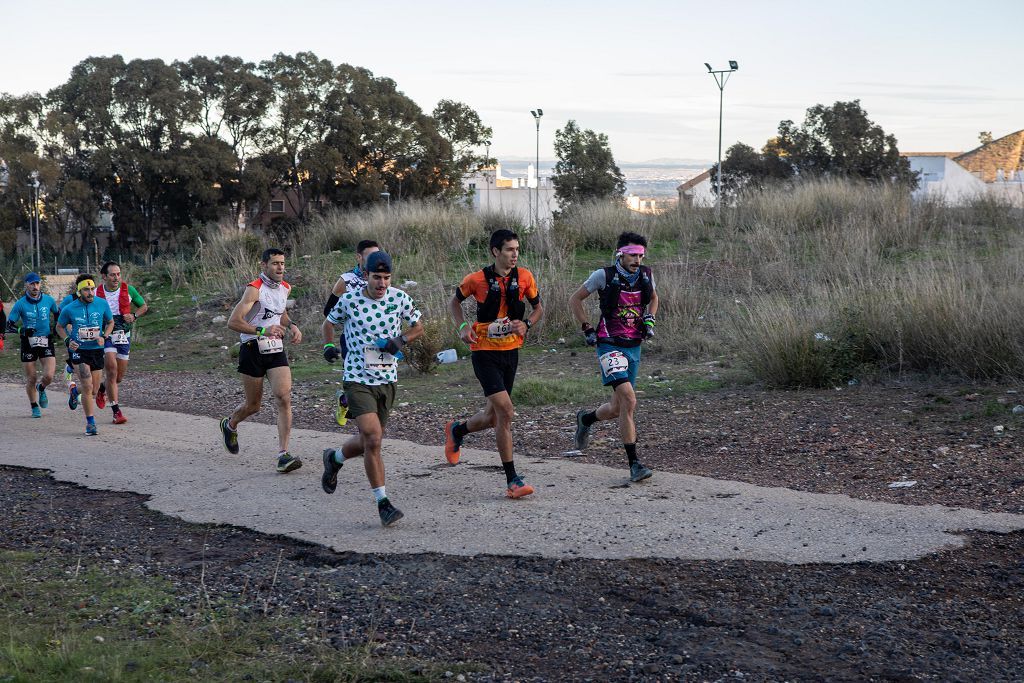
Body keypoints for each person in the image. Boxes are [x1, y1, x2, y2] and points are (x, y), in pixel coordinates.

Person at [320, 251, 423, 526]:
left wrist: (400, 340)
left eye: (386, 278)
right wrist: (329, 345)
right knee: (374, 439)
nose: (382, 284)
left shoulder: (400, 298)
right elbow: (329, 323)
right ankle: (383, 503)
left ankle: (335, 458)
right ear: (365, 275)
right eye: (376, 277)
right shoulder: (350, 299)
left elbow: (419, 327)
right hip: (357, 379)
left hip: (387, 379)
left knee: (370, 441)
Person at [444, 229, 543, 499]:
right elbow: (454, 302)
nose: (515, 255)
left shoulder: (525, 277)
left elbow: (538, 308)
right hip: (484, 352)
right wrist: (463, 326)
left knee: (492, 417)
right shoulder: (476, 279)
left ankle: (457, 430)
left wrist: (527, 324)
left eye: (517, 250)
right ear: (495, 251)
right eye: (510, 249)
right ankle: (512, 479)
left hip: (510, 353)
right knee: (506, 412)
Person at [569, 231, 659, 483]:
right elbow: (575, 299)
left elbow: (653, 298)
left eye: (640, 255)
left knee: (618, 407)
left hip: (634, 345)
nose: (637, 259)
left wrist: (650, 318)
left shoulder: (646, 275)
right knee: (629, 400)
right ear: (620, 253)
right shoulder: (603, 276)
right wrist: (586, 327)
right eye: (632, 254)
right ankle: (635, 464)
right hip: (608, 344)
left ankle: (585, 418)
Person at [219, 248, 303, 473]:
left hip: (275, 349)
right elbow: (233, 322)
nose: (280, 268)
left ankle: (283, 455)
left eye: (283, 263)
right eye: (275, 263)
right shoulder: (253, 290)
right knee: (253, 405)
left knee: (283, 397)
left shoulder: (285, 288)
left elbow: (280, 313)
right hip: (251, 348)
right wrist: (261, 331)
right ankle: (230, 424)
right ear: (264, 265)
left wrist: (292, 325)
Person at [323, 240, 380, 425]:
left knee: (377, 384)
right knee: (357, 382)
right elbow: (328, 311)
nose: (375, 259)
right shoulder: (347, 280)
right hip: (352, 339)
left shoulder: (381, 277)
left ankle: (345, 401)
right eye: (371, 256)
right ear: (359, 257)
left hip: (378, 341)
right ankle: (366, 434)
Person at [55, 275, 114, 435]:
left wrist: (105, 336)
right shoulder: (69, 308)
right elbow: (59, 326)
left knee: (94, 390)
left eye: (92, 289)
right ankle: (90, 423)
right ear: (79, 291)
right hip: (78, 351)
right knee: (88, 386)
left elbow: (110, 322)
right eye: (86, 290)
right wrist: (67, 340)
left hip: (96, 350)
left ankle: (75, 391)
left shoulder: (102, 304)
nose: (90, 292)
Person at [94, 261, 148, 424]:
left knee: (118, 377)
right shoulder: (96, 292)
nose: (116, 277)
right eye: (112, 274)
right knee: (111, 369)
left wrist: (134, 316)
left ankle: (103, 388)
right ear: (104, 276)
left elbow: (144, 306)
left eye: (118, 274)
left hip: (124, 335)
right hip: (106, 335)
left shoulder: (128, 289)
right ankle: (116, 412)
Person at [6, 272, 58, 417]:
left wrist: (56, 328)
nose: (35, 287)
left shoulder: (48, 300)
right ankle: (34, 405)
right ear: (26, 285)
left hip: (46, 340)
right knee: (31, 377)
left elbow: (58, 313)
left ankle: (41, 388)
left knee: (49, 376)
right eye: (32, 284)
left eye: (37, 283)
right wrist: (21, 330)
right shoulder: (20, 304)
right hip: (28, 343)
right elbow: (9, 325)